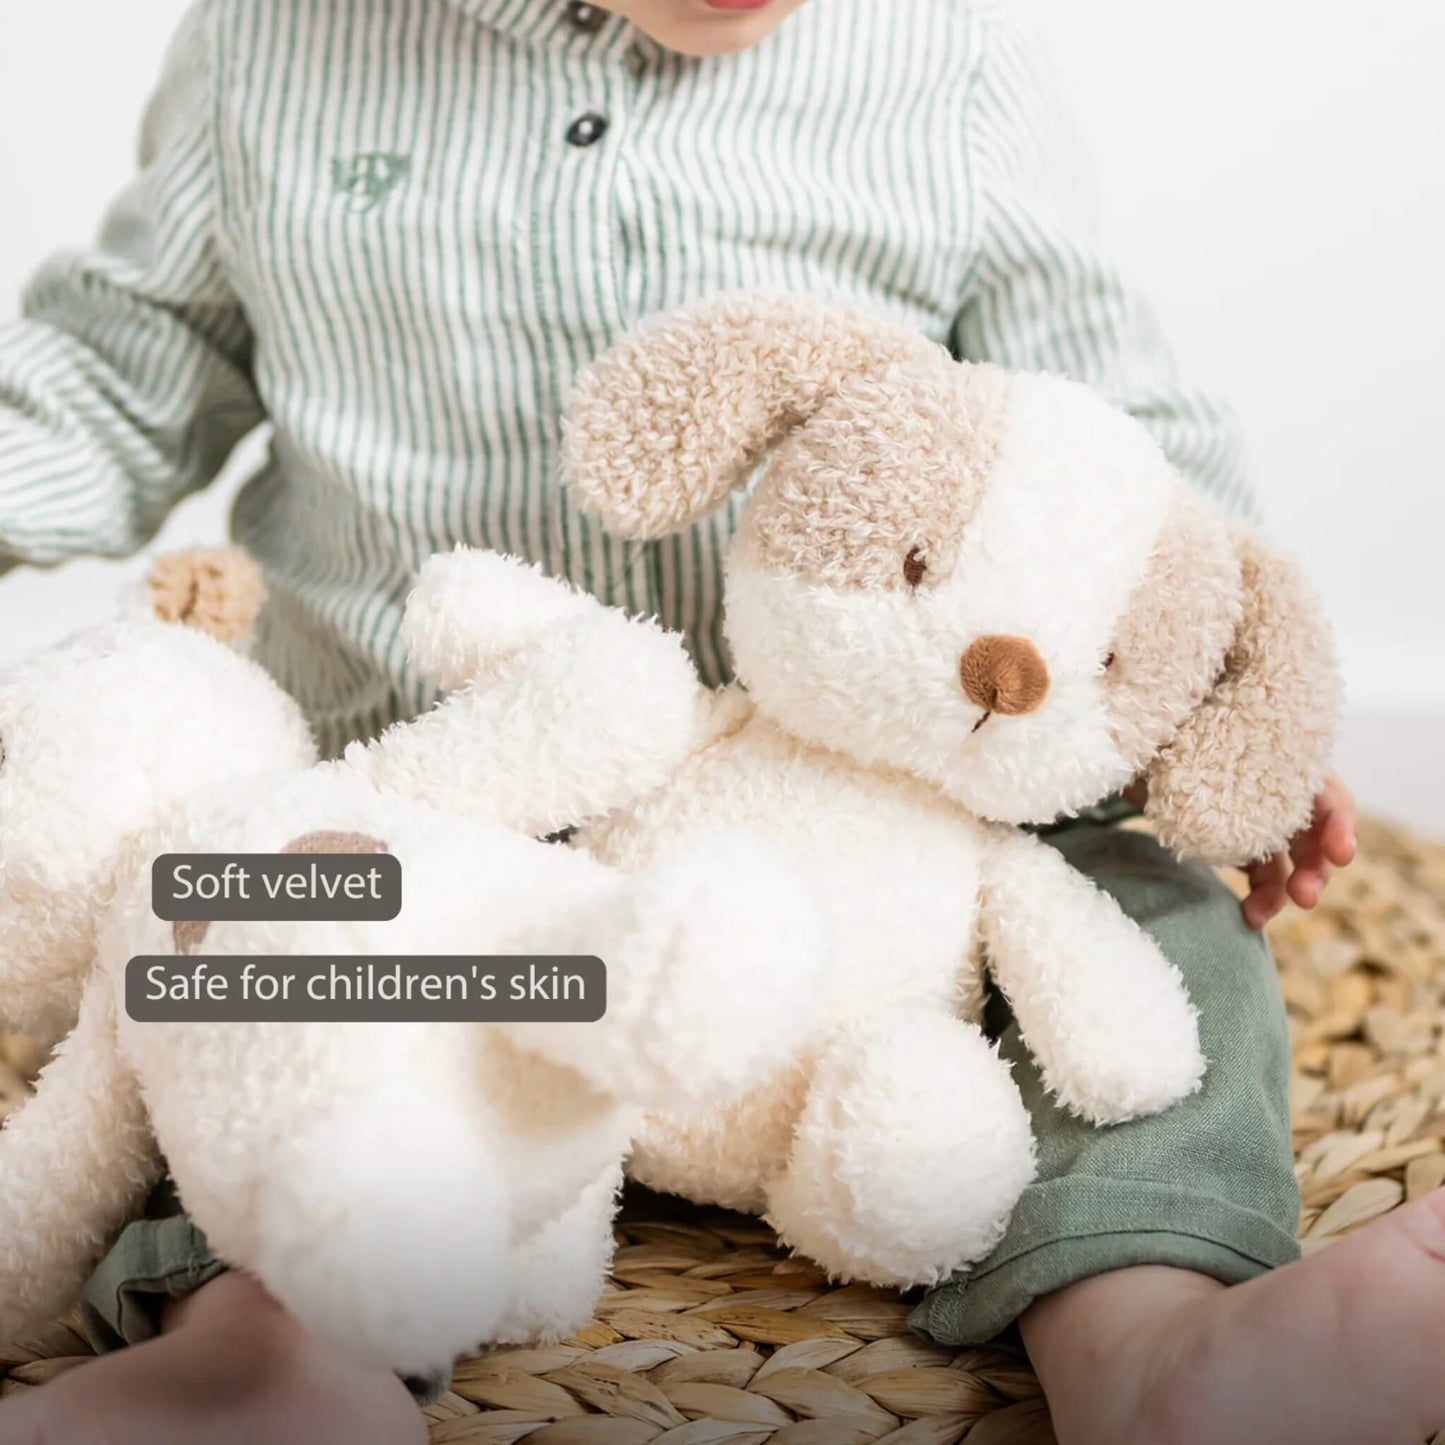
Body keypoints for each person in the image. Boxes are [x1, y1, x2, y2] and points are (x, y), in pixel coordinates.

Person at [0, 3, 1425, 1443]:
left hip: (887, 802)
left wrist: (1234, 706)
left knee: (1152, 915)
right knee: (228, 921)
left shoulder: (948, 66)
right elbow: (117, 371)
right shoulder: (274, 48)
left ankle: (1148, 1326)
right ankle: (273, 1339)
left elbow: (1117, 437)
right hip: (435, 793)